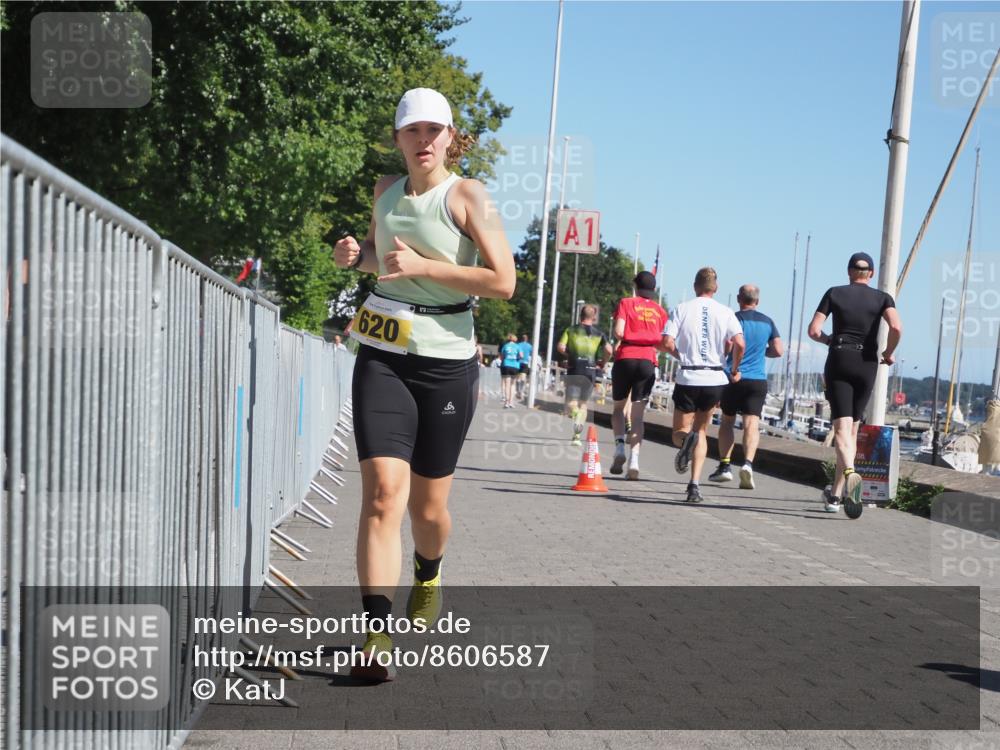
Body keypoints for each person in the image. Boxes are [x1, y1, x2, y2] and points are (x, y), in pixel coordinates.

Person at [333, 87, 515, 680]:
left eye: (434, 130)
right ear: (398, 138)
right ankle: (375, 636)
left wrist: (426, 267)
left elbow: (504, 282)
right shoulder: (385, 190)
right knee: (383, 495)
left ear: (450, 137)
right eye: (412, 130)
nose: (424, 140)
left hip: (446, 363)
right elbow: (381, 260)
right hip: (383, 353)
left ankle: (429, 569)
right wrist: (355, 256)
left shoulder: (468, 196)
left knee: (428, 509)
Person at [807, 252, 901, 519]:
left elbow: (813, 330)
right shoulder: (883, 298)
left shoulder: (834, 293)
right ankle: (836, 496)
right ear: (871, 274)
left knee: (841, 429)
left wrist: (829, 341)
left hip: (840, 359)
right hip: (867, 364)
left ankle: (850, 472)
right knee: (852, 432)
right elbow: (896, 327)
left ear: (849, 271)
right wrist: (888, 353)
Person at [661, 267, 745, 503]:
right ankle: (694, 486)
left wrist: (681, 355)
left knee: (679, 433)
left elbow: (666, 342)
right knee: (701, 432)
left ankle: (685, 442)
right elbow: (740, 343)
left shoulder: (682, 308)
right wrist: (734, 368)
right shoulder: (726, 312)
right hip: (715, 379)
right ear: (715, 288)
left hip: (689, 375)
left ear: (695, 286)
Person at [709, 284, 783, 490]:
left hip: (734, 377)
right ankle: (748, 464)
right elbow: (778, 350)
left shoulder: (733, 319)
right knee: (752, 424)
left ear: (739, 299)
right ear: (757, 301)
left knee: (727, 422)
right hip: (757, 380)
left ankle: (725, 466)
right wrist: (761, 352)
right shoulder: (768, 321)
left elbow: (727, 347)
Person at [610, 272, 669, 479]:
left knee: (618, 409)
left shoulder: (626, 303)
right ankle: (634, 460)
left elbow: (619, 332)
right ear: (653, 289)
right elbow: (664, 342)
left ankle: (619, 447)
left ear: (635, 286)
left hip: (625, 358)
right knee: (637, 416)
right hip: (647, 361)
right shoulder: (660, 311)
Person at [557, 304, 612, 445]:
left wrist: (571, 354)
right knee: (583, 404)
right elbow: (609, 350)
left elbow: (561, 347)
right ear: (593, 317)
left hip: (575, 369)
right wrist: (603, 362)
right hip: (590, 371)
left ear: (580, 315)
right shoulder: (599, 334)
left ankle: (575, 414)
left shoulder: (570, 330)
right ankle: (577, 436)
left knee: (571, 403)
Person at [499, 333, 522, 407]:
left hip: (506, 365)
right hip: (515, 366)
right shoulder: (518, 346)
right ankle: (511, 402)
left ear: (508, 339)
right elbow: (521, 355)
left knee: (507, 384)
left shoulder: (505, 346)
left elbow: (502, 357)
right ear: (515, 339)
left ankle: (506, 402)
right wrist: (517, 358)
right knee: (513, 384)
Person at [516, 333, 533, 400]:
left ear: (521, 339)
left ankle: (518, 391)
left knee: (518, 378)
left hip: (518, 362)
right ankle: (521, 392)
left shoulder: (518, 345)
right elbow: (532, 353)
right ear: (527, 339)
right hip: (525, 363)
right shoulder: (529, 346)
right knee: (523, 378)